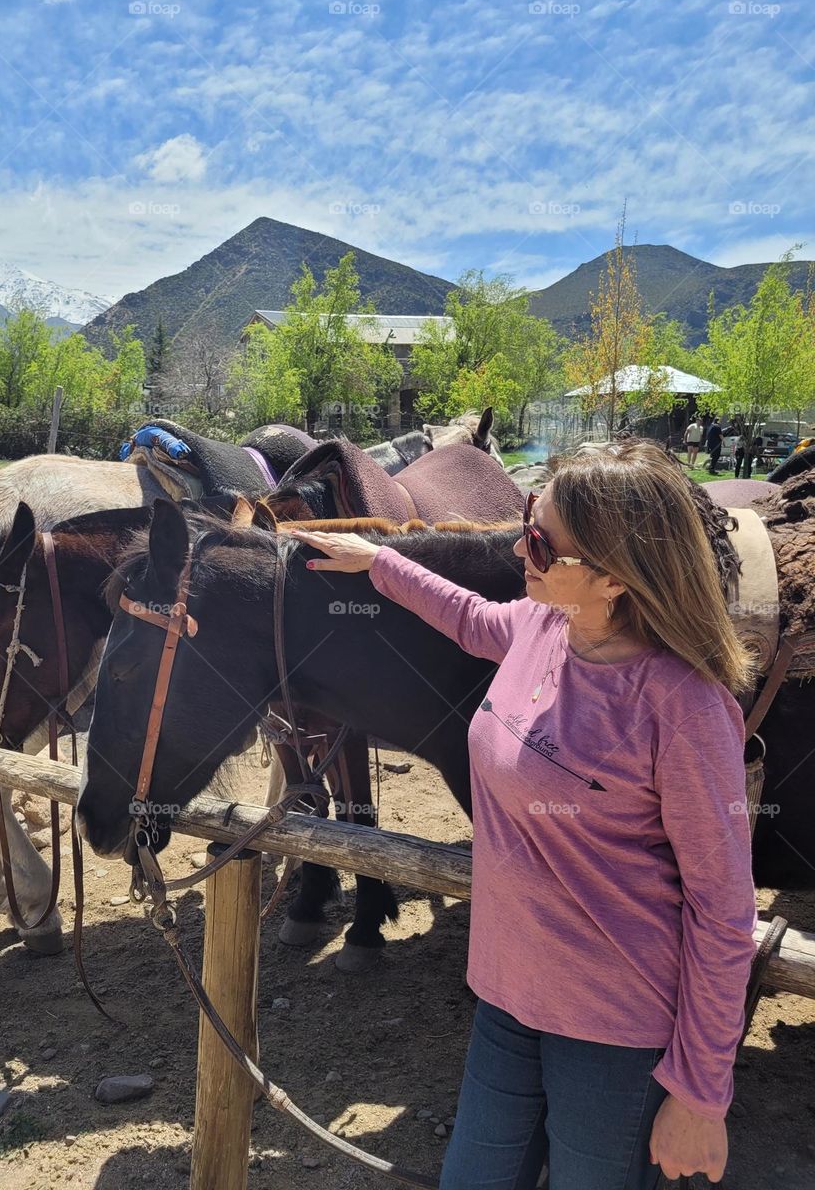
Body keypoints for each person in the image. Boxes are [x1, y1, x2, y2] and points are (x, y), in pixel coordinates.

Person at [287, 440, 757, 1190]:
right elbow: (470, 617)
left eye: (540, 541)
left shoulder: (685, 709)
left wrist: (701, 1093)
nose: (518, 547)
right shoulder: (545, 629)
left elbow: (723, 911)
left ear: (613, 577)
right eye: (526, 522)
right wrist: (374, 560)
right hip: (505, 998)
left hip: (615, 1028)